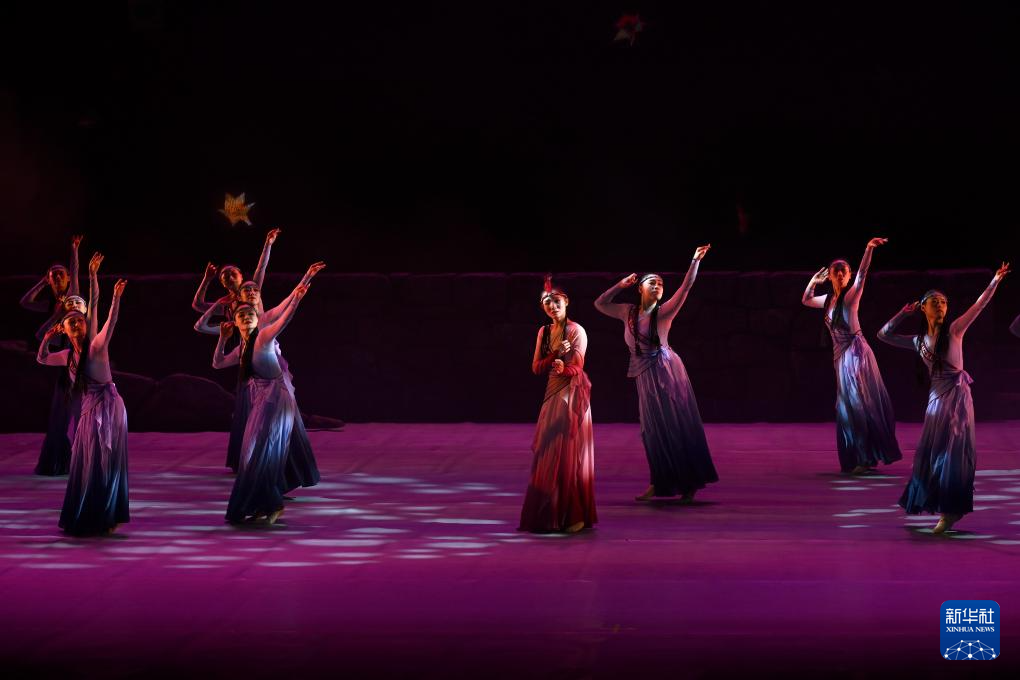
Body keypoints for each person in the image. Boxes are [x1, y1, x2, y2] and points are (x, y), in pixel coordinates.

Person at [877, 262, 1010, 533]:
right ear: (923, 307)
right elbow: (883, 335)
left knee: (953, 453)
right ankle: (933, 501)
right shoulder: (918, 341)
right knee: (931, 453)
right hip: (936, 401)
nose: (939, 305)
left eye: (943, 302)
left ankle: (951, 510)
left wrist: (995, 280)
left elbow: (979, 306)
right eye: (934, 301)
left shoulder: (955, 330)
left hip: (957, 398)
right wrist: (902, 313)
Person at [594, 245, 718, 502]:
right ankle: (659, 482)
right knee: (652, 431)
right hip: (644, 374)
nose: (658, 286)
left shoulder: (664, 312)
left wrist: (694, 261)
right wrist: (620, 285)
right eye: (652, 282)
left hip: (665, 371)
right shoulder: (627, 312)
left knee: (674, 426)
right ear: (640, 288)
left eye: (661, 284)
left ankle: (689, 483)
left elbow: (686, 287)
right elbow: (600, 303)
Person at [39, 268, 130, 536]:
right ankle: (86, 511)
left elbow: (108, 319)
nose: (77, 324)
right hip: (89, 410)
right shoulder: (67, 355)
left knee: (105, 461)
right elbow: (42, 358)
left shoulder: (96, 346)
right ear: (64, 328)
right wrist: (47, 338)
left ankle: (106, 514)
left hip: (109, 409)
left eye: (80, 320)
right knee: (86, 461)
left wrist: (111, 294)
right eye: (72, 322)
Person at [801, 238, 902, 474]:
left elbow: (863, 274)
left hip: (856, 355)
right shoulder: (828, 300)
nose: (839, 274)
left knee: (858, 405)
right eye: (835, 271)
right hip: (841, 358)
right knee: (847, 407)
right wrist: (813, 281)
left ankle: (863, 459)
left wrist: (868, 249)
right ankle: (861, 457)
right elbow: (806, 300)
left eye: (843, 271)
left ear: (848, 276)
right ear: (830, 276)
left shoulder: (851, 296)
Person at [519, 276, 596, 533]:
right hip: (552, 394)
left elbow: (578, 367)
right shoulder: (544, 332)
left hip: (571, 394)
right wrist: (555, 355)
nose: (552, 306)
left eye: (556, 301)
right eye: (546, 302)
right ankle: (549, 514)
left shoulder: (577, 331)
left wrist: (564, 367)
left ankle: (573, 514)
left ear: (566, 301)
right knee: (548, 450)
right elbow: (536, 367)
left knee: (567, 452)